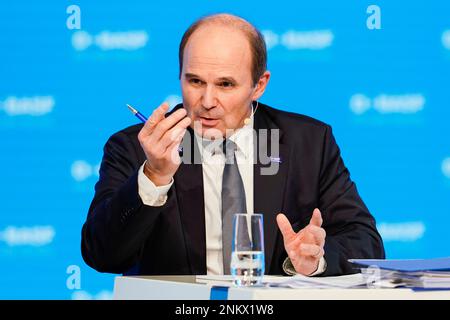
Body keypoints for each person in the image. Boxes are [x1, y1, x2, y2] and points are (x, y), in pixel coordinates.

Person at [81, 13, 385, 277]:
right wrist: (154, 177)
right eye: (195, 81)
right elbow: (102, 255)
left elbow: (365, 243)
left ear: (259, 85)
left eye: (225, 84)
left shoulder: (308, 142)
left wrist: (313, 259)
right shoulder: (134, 147)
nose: (207, 102)